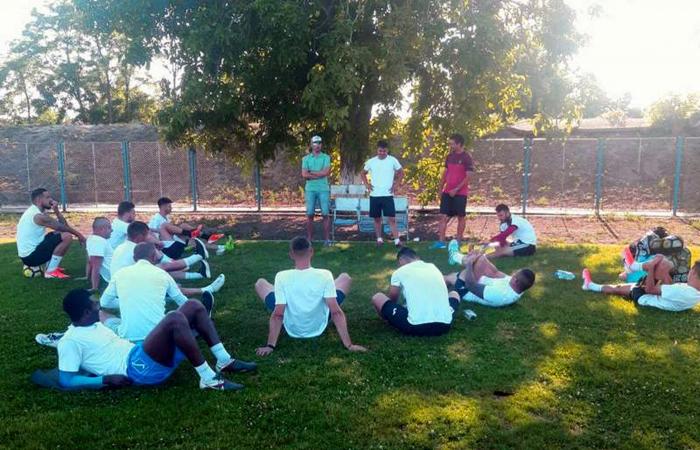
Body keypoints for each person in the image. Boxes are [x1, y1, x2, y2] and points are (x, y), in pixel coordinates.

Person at [57, 288, 256, 391]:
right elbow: (66, 380)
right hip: (135, 370)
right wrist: (104, 379)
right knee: (174, 318)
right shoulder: (70, 341)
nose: (98, 306)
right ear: (85, 313)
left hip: (138, 353)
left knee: (193, 305)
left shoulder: (93, 324)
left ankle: (224, 360)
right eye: (94, 305)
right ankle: (208, 379)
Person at [253, 236, 366, 355]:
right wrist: (349, 345)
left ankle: (287, 291)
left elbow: (278, 314)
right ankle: (320, 290)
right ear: (311, 251)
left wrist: (270, 346)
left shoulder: (281, 276)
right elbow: (336, 312)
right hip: (319, 324)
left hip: (292, 325)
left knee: (261, 283)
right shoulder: (325, 274)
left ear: (291, 254)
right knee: (344, 277)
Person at [100, 243, 224, 342]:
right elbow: (182, 301)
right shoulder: (161, 273)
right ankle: (199, 320)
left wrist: (127, 302)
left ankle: (197, 322)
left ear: (134, 258)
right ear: (154, 257)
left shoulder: (119, 274)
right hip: (159, 335)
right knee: (173, 315)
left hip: (127, 338)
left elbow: (104, 302)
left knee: (102, 314)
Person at [371, 247, 460, 336]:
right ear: (417, 258)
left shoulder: (399, 271)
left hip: (416, 327)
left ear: (401, 260)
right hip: (445, 325)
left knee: (378, 297)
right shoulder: (433, 267)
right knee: (454, 294)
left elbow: (393, 298)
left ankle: (388, 320)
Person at [581, 256, 700, 312]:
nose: (689, 273)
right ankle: (589, 285)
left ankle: (634, 266)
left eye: (691, 271)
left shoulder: (683, 291)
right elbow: (671, 288)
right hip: (654, 295)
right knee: (617, 288)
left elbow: (650, 290)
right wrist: (664, 274)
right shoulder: (694, 293)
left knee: (662, 263)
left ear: (694, 273)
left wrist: (652, 268)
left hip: (644, 296)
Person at [16, 188, 86, 278]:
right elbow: (63, 227)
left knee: (60, 233)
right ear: (39, 200)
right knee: (67, 236)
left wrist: (56, 210)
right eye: (48, 197)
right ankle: (50, 271)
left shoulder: (35, 211)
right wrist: (79, 235)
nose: (51, 200)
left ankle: (51, 267)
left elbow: (63, 226)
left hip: (30, 254)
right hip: (31, 257)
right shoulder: (38, 216)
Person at [112, 221, 212, 282]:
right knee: (163, 268)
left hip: (123, 284)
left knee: (162, 269)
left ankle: (200, 275)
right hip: (130, 285)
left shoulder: (121, 247)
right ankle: (199, 256)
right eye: (147, 235)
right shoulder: (138, 249)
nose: (148, 237)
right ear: (139, 237)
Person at [444, 240, 536, 307]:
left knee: (449, 277)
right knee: (479, 259)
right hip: (480, 282)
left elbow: (470, 285)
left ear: (515, 281)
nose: (513, 273)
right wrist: (481, 256)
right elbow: (495, 273)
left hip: (467, 290)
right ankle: (456, 258)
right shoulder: (518, 286)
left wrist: (470, 265)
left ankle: (454, 256)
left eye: (515, 274)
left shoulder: (500, 294)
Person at [432, 134, 475, 249]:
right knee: (443, 216)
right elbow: (445, 174)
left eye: (452, 144)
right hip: (447, 192)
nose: (450, 146)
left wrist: (456, 189)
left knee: (461, 217)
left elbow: (469, 176)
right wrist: (440, 189)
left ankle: (458, 242)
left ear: (459, 144)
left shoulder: (467, 157)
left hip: (460, 193)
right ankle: (441, 242)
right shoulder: (449, 156)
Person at [148, 197, 226, 259]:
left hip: (172, 237)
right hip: (165, 243)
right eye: (169, 206)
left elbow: (170, 230)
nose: (171, 208)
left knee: (183, 225)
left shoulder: (166, 217)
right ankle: (218, 247)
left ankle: (206, 237)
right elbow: (151, 233)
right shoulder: (156, 219)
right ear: (163, 207)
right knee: (193, 241)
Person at [361, 140, 404, 247]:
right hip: (375, 194)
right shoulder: (371, 161)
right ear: (377, 150)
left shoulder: (392, 160)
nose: (382, 153)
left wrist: (396, 185)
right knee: (377, 218)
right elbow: (362, 173)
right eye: (380, 151)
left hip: (388, 194)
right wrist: (367, 184)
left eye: (384, 151)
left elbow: (401, 172)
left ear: (387, 150)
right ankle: (379, 239)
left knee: (392, 218)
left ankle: (397, 241)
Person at [301, 135, 332, 246]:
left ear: (321, 144)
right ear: (311, 144)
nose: (317, 145)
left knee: (325, 214)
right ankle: (309, 239)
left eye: (319, 143)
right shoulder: (305, 159)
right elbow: (304, 174)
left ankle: (327, 240)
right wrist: (319, 174)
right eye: (315, 143)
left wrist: (311, 172)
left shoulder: (326, 157)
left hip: (323, 189)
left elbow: (326, 173)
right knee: (310, 214)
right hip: (310, 190)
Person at [86, 217, 114, 292]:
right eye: (109, 228)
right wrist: (94, 288)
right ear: (102, 229)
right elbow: (96, 267)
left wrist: (87, 276)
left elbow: (90, 261)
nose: (112, 230)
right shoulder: (98, 242)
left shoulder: (92, 239)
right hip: (110, 278)